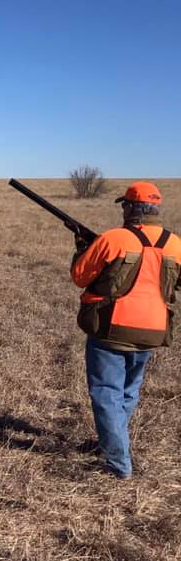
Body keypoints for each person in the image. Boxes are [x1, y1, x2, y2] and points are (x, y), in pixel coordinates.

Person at [71, 181, 181, 479]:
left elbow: (80, 276)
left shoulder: (114, 238)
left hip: (111, 329)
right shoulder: (175, 243)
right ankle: (112, 442)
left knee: (106, 393)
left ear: (132, 208)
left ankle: (118, 464)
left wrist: (82, 248)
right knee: (128, 391)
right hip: (154, 332)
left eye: (125, 205)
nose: (124, 210)